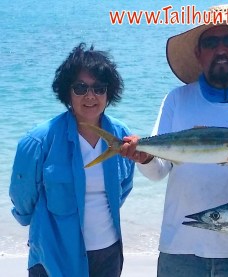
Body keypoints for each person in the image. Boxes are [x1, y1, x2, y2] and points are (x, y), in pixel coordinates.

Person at [119, 4, 228, 277]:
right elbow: (159, 171)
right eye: (211, 42)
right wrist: (146, 157)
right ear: (199, 54)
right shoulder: (177, 99)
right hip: (181, 246)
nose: (221, 49)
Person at [9, 43, 135, 277]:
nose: (90, 96)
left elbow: (124, 186)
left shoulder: (121, 135)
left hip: (108, 254)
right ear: (67, 92)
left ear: (109, 93)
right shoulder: (38, 141)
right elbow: (22, 197)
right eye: (80, 88)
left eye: (99, 88)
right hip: (54, 255)